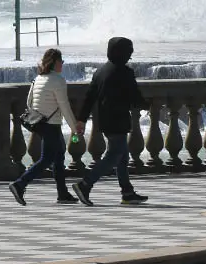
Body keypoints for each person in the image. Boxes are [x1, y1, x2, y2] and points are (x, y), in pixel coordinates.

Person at [72, 37, 149, 206]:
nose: (130, 56)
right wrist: (146, 105)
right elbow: (135, 97)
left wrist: (81, 119)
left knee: (122, 155)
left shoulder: (100, 72)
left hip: (104, 120)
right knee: (114, 155)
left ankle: (127, 192)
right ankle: (85, 184)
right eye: (129, 52)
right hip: (118, 120)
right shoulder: (125, 72)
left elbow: (89, 98)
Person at [9, 48, 79, 205]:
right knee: (47, 159)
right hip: (51, 124)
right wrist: (75, 128)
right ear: (55, 62)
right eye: (61, 61)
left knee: (59, 155)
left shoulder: (38, 78)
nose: (62, 64)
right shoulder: (58, 80)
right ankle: (20, 184)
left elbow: (29, 102)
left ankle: (62, 193)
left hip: (40, 123)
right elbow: (65, 106)